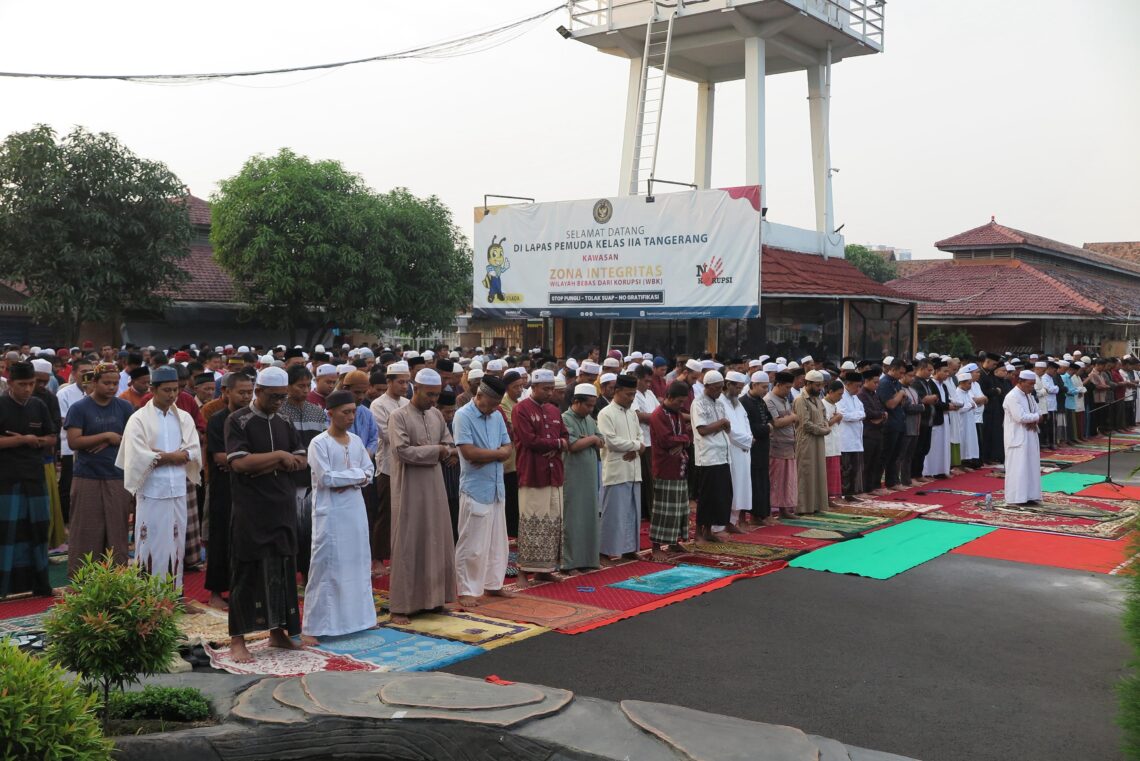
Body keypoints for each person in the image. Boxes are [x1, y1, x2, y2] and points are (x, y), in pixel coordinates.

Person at [301, 390, 378, 643]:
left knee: (356, 562)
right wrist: (357, 477)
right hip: (330, 513)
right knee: (326, 567)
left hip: (355, 511)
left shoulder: (356, 441)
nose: (351, 416)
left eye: (353, 411)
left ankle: (360, 620)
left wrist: (354, 478)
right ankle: (314, 627)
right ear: (330, 413)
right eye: (346, 412)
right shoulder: (319, 443)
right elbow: (326, 478)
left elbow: (370, 472)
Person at [387, 368, 458, 624]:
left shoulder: (437, 414)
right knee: (408, 542)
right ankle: (400, 607)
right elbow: (402, 451)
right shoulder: (399, 416)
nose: (433, 400)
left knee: (435, 540)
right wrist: (437, 450)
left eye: (436, 395)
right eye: (429, 394)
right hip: (410, 488)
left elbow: (450, 446)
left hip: (435, 485)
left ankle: (434, 600)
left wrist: (436, 450)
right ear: (414, 389)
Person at [63, 363, 134, 578]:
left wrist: (114, 439)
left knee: (117, 531)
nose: (112, 387)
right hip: (87, 476)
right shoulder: (80, 408)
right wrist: (106, 436)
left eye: (115, 383)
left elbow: (132, 439)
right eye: (106, 383)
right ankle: (83, 583)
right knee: (86, 531)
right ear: (94, 383)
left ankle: (116, 581)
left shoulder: (124, 407)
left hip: (117, 475)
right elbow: (74, 442)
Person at [453, 375, 514, 607]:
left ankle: (493, 585)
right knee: (472, 543)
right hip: (475, 488)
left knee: (497, 542)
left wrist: (492, 454)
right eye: (489, 404)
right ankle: (467, 590)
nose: (492, 410)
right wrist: (497, 454)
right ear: (478, 396)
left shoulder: (497, 415)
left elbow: (508, 446)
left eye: (496, 405)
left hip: (496, 488)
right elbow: (469, 453)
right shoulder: (463, 416)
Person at [0, 361, 56, 597]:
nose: (28, 389)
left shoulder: (39, 405)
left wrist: (38, 440)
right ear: (10, 382)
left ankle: (40, 585)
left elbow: (52, 438)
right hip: (6, 478)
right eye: (22, 384)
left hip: (34, 476)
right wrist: (22, 440)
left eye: (31, 384)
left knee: (37, 531)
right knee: (7, 534)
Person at [512, 368, 569, 588]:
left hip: (554, 474)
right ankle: (523, 572)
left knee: (553, 522)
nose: (549, 393)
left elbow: (565, 436)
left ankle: (545, 570)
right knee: (532, 522)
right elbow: (529, 440)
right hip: (532, 473)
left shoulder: (554, 410)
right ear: (533, 387)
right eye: (545, 389)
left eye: (551, 389)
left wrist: (558, 445)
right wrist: (556, 445)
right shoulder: (521, 410)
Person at [204, 371, 253, 610]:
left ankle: (242, 588)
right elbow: (220, 457)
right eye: (241, 392)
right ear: (227, 392)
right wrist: (247, 460)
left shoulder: (254, 418)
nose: (246, 397)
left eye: (249, 392)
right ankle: (215, 592)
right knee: (220, 536)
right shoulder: (217, 419)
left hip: (250, 486)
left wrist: (246, 461)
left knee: (247, 536)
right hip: (223, 487)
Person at [368, 360, 409, 574]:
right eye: (400, 382)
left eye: (406, 382)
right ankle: (378, 560)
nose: (404, 386)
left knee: (405, 513)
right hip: (387, 466)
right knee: (385, 514)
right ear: (389, 381)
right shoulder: (378, 405)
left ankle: (400, 553)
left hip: (409, 465)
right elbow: (387, 434)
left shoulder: (407, 402)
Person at [597, 374, 644, 559]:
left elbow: (641, 436)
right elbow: (610, 441)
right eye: (628, 394)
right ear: (617, 391)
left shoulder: (632, 413)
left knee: (632, 512)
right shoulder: (606, 413)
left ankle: (629, 549)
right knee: (613, 514)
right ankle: (605, 552)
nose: (632, 399)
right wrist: (636, 446)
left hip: (633, 469)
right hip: (616, 469)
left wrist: (638, 446)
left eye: (634, 394)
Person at [560, 383, 603, 572]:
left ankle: (588, 560)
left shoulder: (590, 420)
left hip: (590, 476)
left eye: (593, 406)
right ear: (576, 402)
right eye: (588, 405)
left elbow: (602, 441)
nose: (591, 409)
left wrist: (590, 439)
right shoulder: (565, 419)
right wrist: (591, 439)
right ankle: (570, 562)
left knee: (589, 517)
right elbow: (572, 445)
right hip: (573, 476)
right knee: (573, 519)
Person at [648, 381, 693, 557]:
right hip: (665, 466)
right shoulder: (658, 415)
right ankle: (656, 547)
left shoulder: (677, 414)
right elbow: (667, 440)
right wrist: (681, 440)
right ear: (669, 397)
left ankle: (674, 542)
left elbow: (687, 436)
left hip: (679, 465)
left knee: (680, 508)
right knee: (663, 508)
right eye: (679, 402)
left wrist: (681, 441)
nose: (681, 405)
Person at [691, 370, 732, 540]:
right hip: (708, 456)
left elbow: (726, 427)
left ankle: (709, 531)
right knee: (707, 497)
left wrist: (724, 425)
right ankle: (699, 532)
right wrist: (721, 423)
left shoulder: (720, 403)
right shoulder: (698, 403)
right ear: (707, 386)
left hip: (722, 454)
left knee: (720, 496)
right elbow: (702, 430)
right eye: (716, 388)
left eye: (721, 388)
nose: (719, 391)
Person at [793, 370, 830, 515]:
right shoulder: (800, 400)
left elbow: (824, 417)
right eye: (817, 385)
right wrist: (824, 430)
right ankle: (802, 507)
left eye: (821, 385)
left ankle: (815, 505)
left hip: (818, 440)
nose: (820, 388)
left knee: (818, 473)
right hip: (806, 441)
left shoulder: (818, 399)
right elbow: (805, 424)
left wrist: (825, 426)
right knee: (806, 473)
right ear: (807, 383)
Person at [719, 371, 753, 530]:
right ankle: (723, 522)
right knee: (731, 486)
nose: (740, 391)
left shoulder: (738, 403)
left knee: (741, 486)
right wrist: (747, 440)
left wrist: (749, 437)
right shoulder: (720, 403)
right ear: (728, 385)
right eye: (738, 387)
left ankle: (733, 521)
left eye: (741, 387)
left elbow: (746, 422)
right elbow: (728, 430)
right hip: (731, 449)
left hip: (745, 449)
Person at [1004, 370, 1043, 506]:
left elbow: (1038, 411)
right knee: (1018, 467)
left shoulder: (1029, 396)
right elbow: (1019, 417)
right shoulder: (1012, 396)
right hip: (1017, 436)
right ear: (1020, 382)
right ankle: (1016, 498)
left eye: (1033, 384)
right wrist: (1035, 418)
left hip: (1030, 435)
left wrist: (1034, 418)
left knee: (1031, 466)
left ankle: (1030, 495)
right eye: (1029, 384)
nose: (1031, 387)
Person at [741, 371, 775, 525]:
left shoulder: (761, 401)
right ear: (754, 385)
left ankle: (762, 514)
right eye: (763, 387)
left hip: (763, 446)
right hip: (752, 448)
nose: (765, 390)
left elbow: (769, 419)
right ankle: (754, 516)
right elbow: (751, 427)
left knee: (762, 481)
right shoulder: (744, 402)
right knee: (754, 482)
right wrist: (767, 428)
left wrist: (767, 426)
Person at [764, 371, 798, 519]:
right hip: (776, 446)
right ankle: (770, 511)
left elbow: (786, 420)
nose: (789, 390)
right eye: (787, 387)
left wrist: (789, 418)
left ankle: (784, 510)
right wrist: (793, 417)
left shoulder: (784, 399)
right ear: (778, 385)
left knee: (787, 481)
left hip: (789, 446)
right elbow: (776, 422)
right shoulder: (769, 400)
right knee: (775, 480)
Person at [632, 366, 660, 521]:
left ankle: (651, 510)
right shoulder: (632, 394)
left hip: (653, 439)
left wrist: (656, 417)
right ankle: (646, 512)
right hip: (642, 440)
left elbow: (659, 411)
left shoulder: (649, 394)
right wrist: (657, 419)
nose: (649, 384)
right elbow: (638, 416)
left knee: (652, 477)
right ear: (638, 379)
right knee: (646, 477)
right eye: (646, 381)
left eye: (650, 381)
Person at [836, 372, 866, 501]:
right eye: (857, 386)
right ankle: (843, 494)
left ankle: (851, 494)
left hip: (856, 439)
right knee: (845, 469)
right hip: (845, 440)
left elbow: (863, 411)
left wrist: (858, 414)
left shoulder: (855, 397)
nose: (859, 389)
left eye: (860, 386)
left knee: (855, 469)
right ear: (848, 384)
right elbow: (844, 415)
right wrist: (858, 415)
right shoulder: (841, 397)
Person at [437, 390, 462, 540]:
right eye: (447, 412)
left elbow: (468, 445)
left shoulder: (457, 423)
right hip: (439, 475)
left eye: (453, 411)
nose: (451, 415)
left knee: (456, 513)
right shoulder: (433, 424)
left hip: (455, 475)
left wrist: (457, 456)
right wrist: (451, 452)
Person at [821, 380, 845, 505]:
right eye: (839, 394)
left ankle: (830, 499)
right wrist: (837, 418)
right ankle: (824, 499)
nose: (841, 397)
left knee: (833, 472)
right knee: (826, 473)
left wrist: (837, 418)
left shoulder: (833, 404)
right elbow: (823, 424)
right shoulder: (822, 404)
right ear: (830, 392)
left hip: (834, 442)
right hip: (826, 444)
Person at [952, 372, 980, 468]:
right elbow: (960, 407)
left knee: (970, 441)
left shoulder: (967, 393)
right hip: (962, 422)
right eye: (969, 383)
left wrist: (970, 405)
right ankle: (961, 464)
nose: (970, 386)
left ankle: (967, 462)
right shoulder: (957, 393)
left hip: (970, 421)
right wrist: (970, 406)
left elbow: (974, 404)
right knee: (963, 440)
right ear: (962, 383)